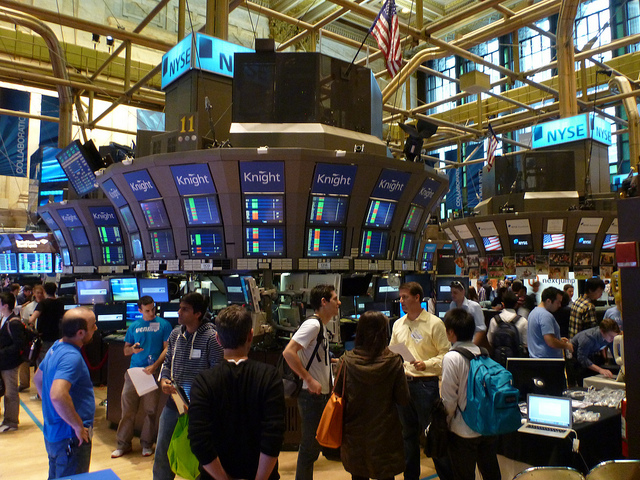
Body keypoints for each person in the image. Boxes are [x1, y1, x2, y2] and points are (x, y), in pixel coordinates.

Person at [189, 305, 285, 480]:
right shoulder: (269, 377)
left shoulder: (203, 381)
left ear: (218, 339)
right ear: (250, 336)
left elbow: (199, 441)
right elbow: (273, 436)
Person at [152, 293, 224, 480]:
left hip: (200, 408)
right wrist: (163, 379)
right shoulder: (176, 334)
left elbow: (218, 373)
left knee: (201, 456)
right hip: (174, 403)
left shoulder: (212, 338)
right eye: (180, 308)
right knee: (163, 451)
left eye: (185, 309)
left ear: (198, 313)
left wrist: (201, 399)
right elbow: (167, 362)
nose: (179, 312)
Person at [338, 311, 410, 480]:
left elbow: (338, 395)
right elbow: (403, 399)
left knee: (358, 475)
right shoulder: (393, 361)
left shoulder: (346, 361)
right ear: (384, 332)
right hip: (385, 435)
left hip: (355, 434)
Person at [390, 281, 450, 480]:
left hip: (426, 385)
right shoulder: (398, 324)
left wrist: (426, 364)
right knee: (407, 436)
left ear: (417, 298)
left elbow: (446, 355)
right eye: (400, 297)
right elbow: (393, 353)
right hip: (404, 384)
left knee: (434, 435)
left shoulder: (435, 323)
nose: (401, 301)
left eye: (405, 297)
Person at [283, 284, 340, 480]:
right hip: (310, 395)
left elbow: (313, 354)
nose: (339, 303)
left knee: (312, 447)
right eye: (335, 299)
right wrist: (308, 378)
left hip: (318, 395)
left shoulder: (321, 326)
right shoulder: (313, 325)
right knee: (309, 448)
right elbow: (288, 352)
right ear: (323, 302)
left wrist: (331, 362)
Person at [34, 307, 97, 479]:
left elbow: (38, 379)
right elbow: (58, 395)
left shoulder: (56, 346)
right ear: (80, 333)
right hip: (70, 438)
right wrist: (77, 426)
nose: (96, 328)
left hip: (55, 434)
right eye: (93, 325)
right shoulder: (71, 357)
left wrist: (53, 411)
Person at [441, 308, 500, 480]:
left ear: (451, 333)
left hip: (463, 429)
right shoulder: (483, 352)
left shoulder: (452, 358)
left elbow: (449, 400)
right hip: (487, 424)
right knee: (491, 473)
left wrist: (444, 423)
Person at [112, 296, 172, 458]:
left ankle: (146, 443)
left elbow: (167, 349)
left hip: (152, 372)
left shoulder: (164, 325)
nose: (151, 313)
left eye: (153, 309)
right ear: (140, 310)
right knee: (127, 410)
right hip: (134, 372)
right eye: (147, 310)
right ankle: (123, 444)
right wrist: (133, 349)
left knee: (150, 411)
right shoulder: (134, 326)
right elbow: (126, 350)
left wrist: (156, 366)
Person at [567, 318, 620, 386]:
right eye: (611, 336)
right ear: (602, 331)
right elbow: (582, 358)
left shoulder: (609, 336)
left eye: (614, 336)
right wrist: (600, 370)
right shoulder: (588, 338)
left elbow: (615, 352)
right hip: (575, 360)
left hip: (590, 356)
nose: (613, 339)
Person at [0, 292, 25, 432]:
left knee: (11, 392)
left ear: (5, 305)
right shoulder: (3, 319)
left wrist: (2, 352)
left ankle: (11, 421)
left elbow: (19, 344)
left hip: (10, 363)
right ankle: (7, 419)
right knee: (5, 391)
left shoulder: (14, 322)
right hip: (3, 362)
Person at [527, 287, 573, 358]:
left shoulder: (533, 312)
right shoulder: (545, 315)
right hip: (548, 360)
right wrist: (567, 345)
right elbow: (550, 341)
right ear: (548, 301)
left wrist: (558, 340)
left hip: (537, 358)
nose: (559, 305)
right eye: (558, 302)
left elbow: (540, 338)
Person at [30, 282, 65, 367]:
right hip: (57, 334)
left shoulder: (43, 303)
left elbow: (32, 319)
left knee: (44, 360)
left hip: (44, 336)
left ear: (44, 291)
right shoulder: (60, 302)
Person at [487, 290, 528, 363]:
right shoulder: (523, 321)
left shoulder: (494, 320)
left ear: (503, 304)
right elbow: (525, 344)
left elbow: (490, 342)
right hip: (516, 362)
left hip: (497, 361)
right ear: (516, 304)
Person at [18, 284, 44, 391]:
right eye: (37, 293)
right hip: (31, 336)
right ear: (34, 293)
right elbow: (25, 322)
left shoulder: (46, 305)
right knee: (24, 360)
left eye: (41, 293)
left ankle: (40, 384)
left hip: (42, 335)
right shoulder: (28, 307)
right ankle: (24, 383)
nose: (39, 295)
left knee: (40, 361)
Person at [449, 281, 487, 346]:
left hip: (471, 344)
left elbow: (481, 330)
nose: (452, 295)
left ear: (463, 292)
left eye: (455, 293)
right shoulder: (452, 305)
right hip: (456, 345)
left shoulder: (474, 306)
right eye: (451, 293)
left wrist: (471, 347)